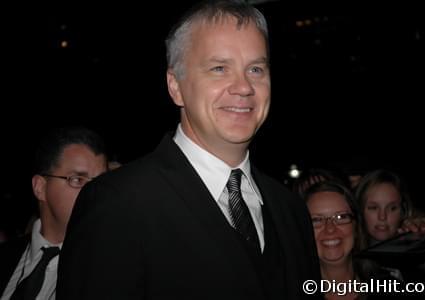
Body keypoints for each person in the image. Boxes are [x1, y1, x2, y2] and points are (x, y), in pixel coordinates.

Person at [56, 1, 321, 299]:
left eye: (256, 69)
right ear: (175, 86)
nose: (244, 87)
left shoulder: (291, 209)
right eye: (220, 68)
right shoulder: (118, 204)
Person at [0, 126, 108, 300]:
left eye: (100, 182)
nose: (93, 193)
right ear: (40, 187)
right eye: (77, 180)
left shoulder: (109, 267)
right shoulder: (5, 256)